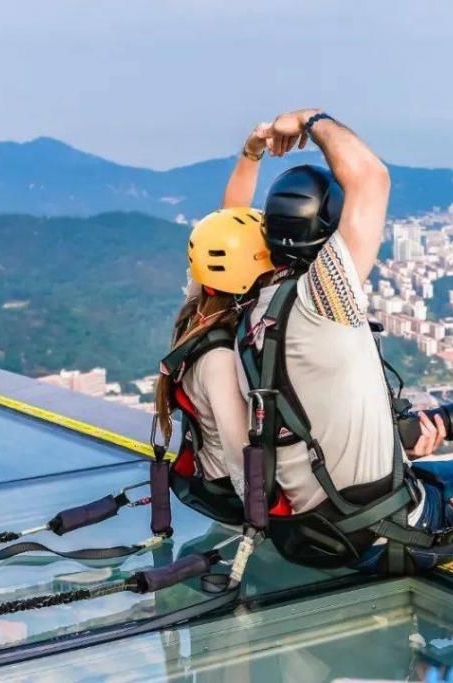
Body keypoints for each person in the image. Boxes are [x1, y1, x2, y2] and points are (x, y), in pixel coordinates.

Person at [223, 108, 453, 573]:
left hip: (304, 525)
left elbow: (227, 222)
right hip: (366, 528)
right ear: (329, 230)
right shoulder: (323, 296)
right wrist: (308, 120)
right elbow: (371, 176)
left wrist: (252, 152)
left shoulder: (249, 301)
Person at [152, 123, 273, 501]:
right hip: (228, 495)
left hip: (210, 472)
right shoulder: (220, 359)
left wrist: (251, 152)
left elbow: (227, 228)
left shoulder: (198, 307)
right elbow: (242, 465)